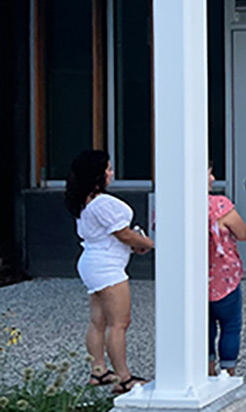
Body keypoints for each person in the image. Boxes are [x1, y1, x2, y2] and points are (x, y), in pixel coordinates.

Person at [64, 150, 154, 394]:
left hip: (93, 263)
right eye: (108, 169)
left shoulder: (84, 200)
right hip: (107, 268)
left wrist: (135, 244)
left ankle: (99, 371)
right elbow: (122, 234)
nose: (112, 173)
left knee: (99, 322)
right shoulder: (103, 202)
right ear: (98, 174)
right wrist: (150, 244)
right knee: (120, 323)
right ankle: (124, 379)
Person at [208, 165, 246, 377]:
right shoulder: (220, 205)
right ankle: (228, 373)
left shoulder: (172, 205)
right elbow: (243, 233)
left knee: (203, 327)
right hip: (224, 278)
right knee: (230, 326)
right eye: (208, 172)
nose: (213, 178)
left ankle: (207, 371)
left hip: (193, 281)